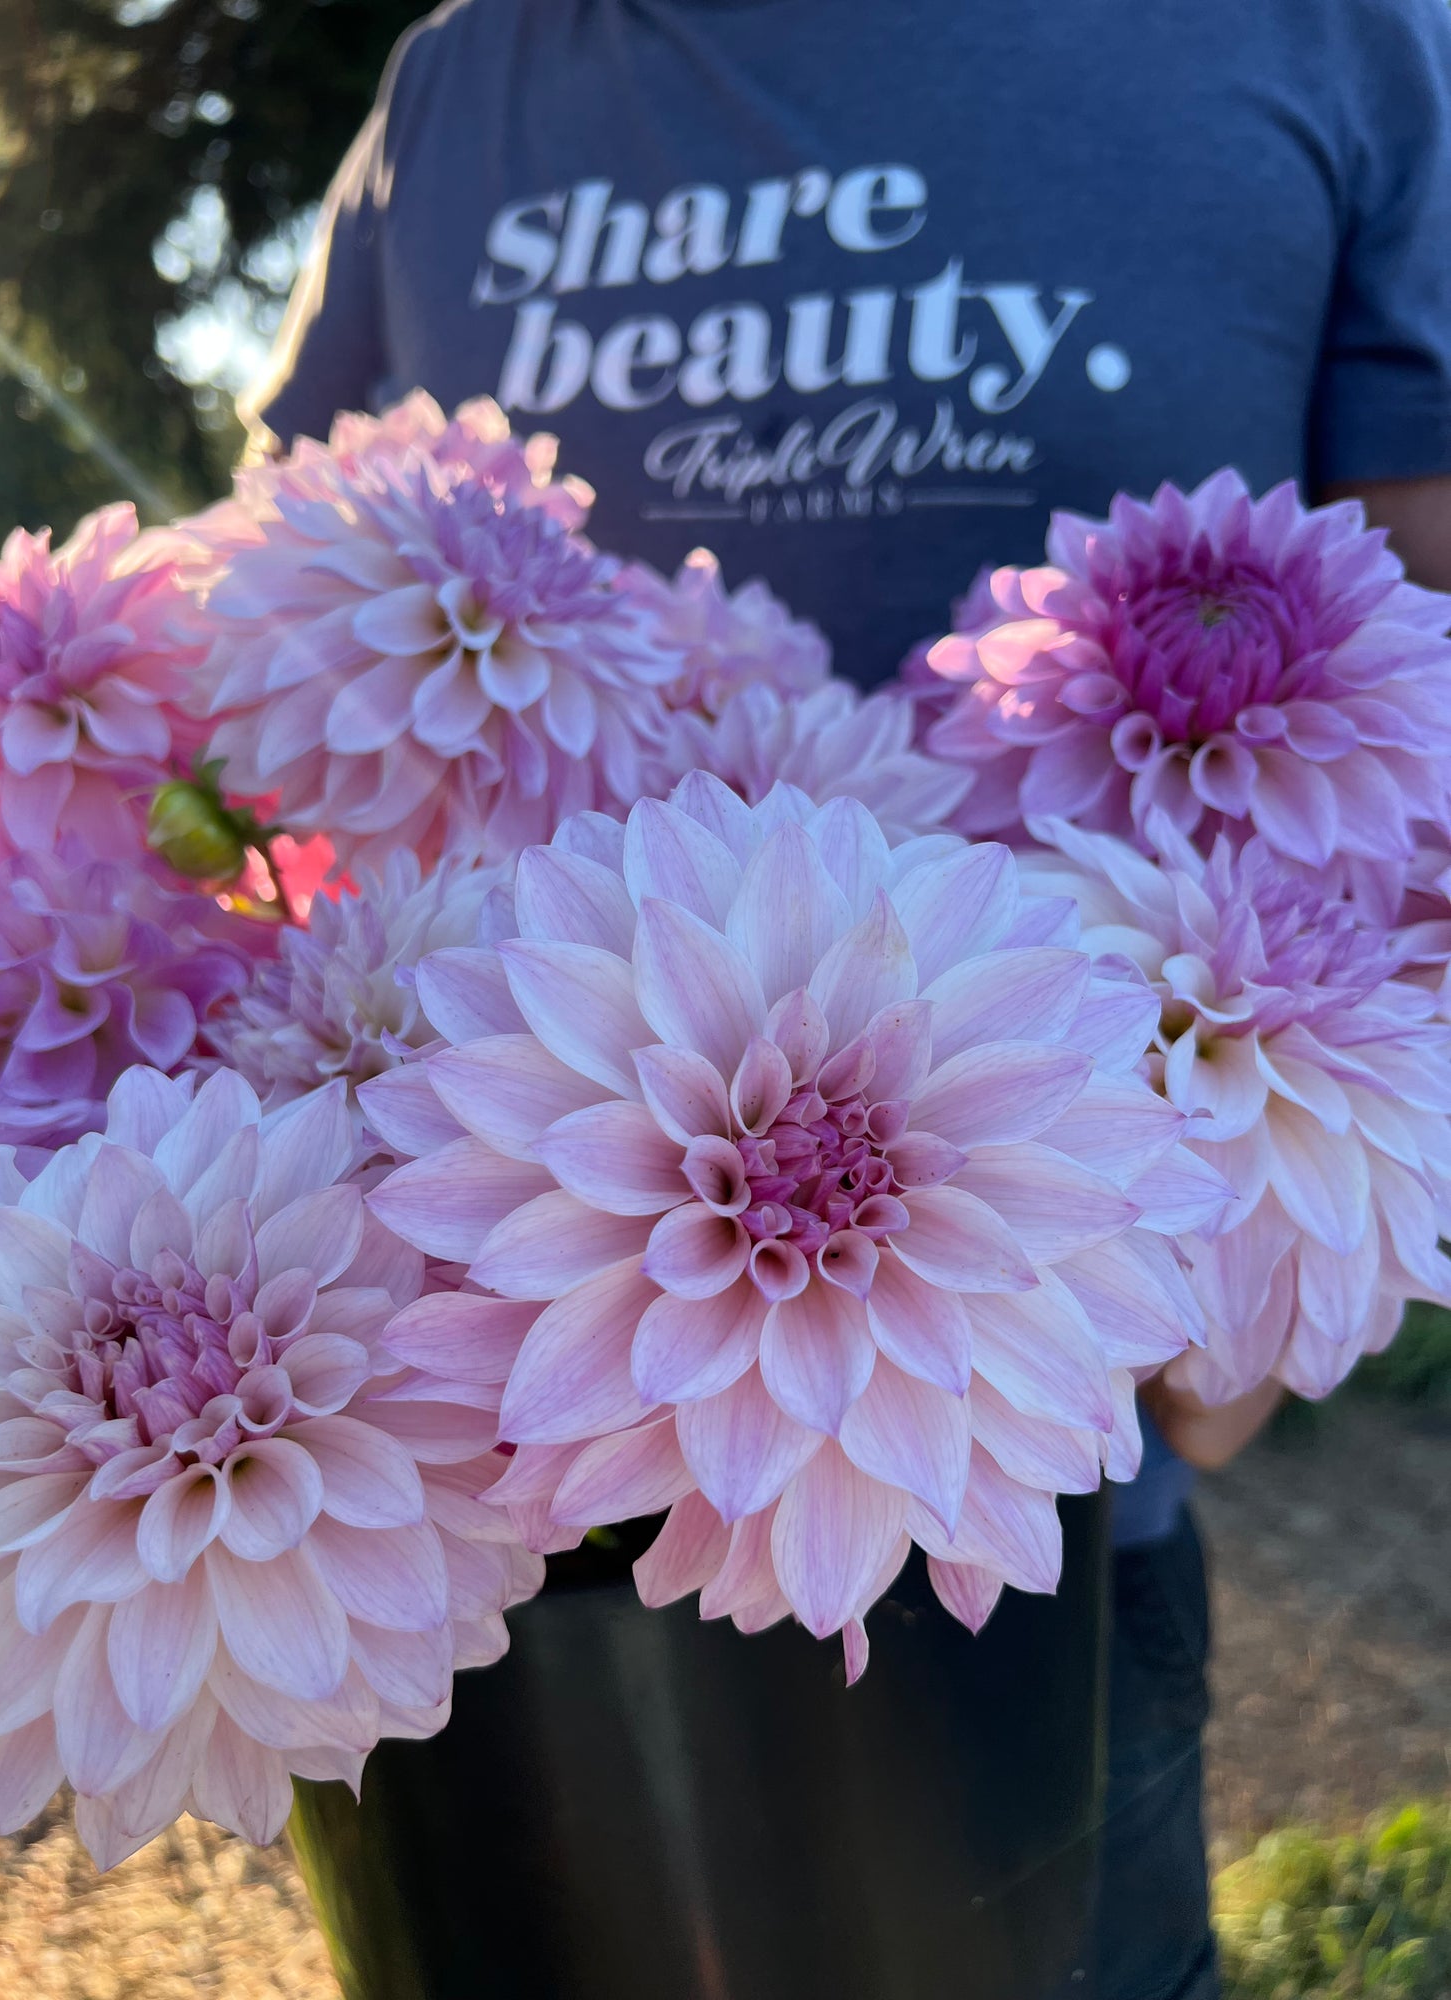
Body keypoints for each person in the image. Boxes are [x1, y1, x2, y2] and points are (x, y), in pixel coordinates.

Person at [242, 4, 1451, 1994]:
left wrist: (1310, 1172)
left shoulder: (1325, 39)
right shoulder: (465, 78)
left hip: (1006, 1485)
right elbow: (275, 623)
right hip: (488, 1527)